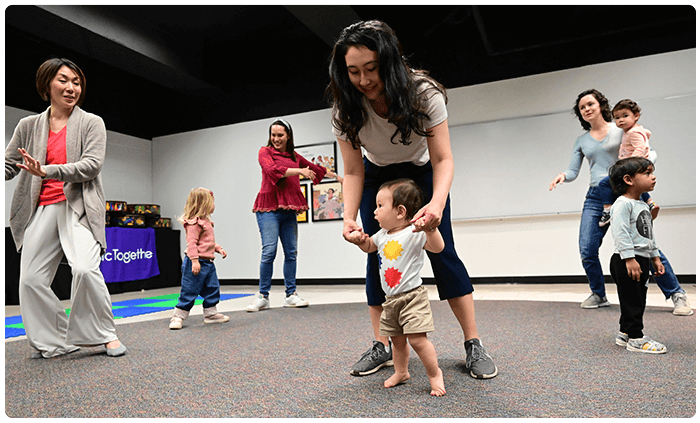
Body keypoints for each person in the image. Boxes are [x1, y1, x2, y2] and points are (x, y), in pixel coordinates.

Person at [327, 20, 497, 379]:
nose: (364, 80)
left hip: (421, 174)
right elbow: (354, 171)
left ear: (389, 62)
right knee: (379, 254)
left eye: (371, 69)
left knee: (443, 252)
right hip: (377, 177)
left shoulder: (423, 93)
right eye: (353, 71)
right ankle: (382, 345)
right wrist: (349, 217)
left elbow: (443, 159)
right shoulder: (345, 107)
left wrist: (436, 203)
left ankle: (473, 343)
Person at [4, 58, 126, 358]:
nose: (72, 87)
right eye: (63, 80)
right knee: (31, 280)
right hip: (40, 209)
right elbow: (10, 165)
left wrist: (47, 171)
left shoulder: (91, 122)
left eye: (76, 82)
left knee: (84, 269)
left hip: (78, 206)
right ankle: (58, 339)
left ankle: (105, 334)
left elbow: (91, 166)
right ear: (47, 84)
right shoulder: (28, 126)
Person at [548, 89, 692, 315]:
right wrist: (563, 176)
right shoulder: (582, 140)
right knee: (587, 248)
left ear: (600, 105)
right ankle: (599, 294)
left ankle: (676, 294)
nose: (586, 109)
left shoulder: (620, 128)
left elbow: (649, 152)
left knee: (645, 245)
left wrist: (637, 167)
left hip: (625, 194)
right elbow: (574, 170)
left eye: (590, 104)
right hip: (596, 197)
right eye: (582, 107)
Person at [347, 179, 446, 396]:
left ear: (400, 211)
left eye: (380, 206)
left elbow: (438, 248)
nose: (374, 211)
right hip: (390, 300)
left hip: (412, 298)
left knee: (418, 340)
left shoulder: (415, 232)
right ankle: (402, 372)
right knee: (397, 341)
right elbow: (369, 247)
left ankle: (434, 373)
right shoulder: (382, 235)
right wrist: (359, 240)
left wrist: (430, 229)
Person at [248, 118, 343, 312]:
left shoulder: (294, 155)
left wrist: (339, 178)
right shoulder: (264, 152)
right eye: (273, 135)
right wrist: (299, 171)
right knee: (269, 251)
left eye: (280, 135)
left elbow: (315, 169)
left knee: (291, 252)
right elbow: (272, 170)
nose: (276, 139)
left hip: (289, 210)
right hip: (269, 209)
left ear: (288, 136)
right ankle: (262, 296)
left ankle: (290, 295)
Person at [609, 157, 667, 353]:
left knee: (636, 298)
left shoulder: (641, 205)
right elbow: (620, 232)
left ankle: (625, 332)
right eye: (647, 173)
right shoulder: (622, 204)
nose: (653, 177)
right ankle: (636, 338)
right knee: (633, 300)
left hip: (640, 259)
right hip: (627, 260)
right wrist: (629, 258)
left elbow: (648, 234)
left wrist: (655, 257)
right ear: (628, 179)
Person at [169, 188, 229, 330]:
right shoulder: (194, 223)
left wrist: (218, 248)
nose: (214, 205)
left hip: (208, 263)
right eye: (212, 202)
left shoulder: (206, 221)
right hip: (195, 262)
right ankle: (178, 316)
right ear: (204, 204)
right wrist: (194, 261)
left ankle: (210, 314)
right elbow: (192, 244)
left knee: (212, 287)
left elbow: (206, 242)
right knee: (189, 290)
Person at [597, 99, 657, 227]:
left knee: (603, 183)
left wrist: (629, 165)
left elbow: (640, 148)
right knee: (636, 187)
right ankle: (650, 202)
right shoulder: (638, 130)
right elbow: (646, 135)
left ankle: (607, 210)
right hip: (635, 166)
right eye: (617, 118)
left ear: (636, 116)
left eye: (625, 116)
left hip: (631, 167)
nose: (621, 120)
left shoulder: (633, 132)